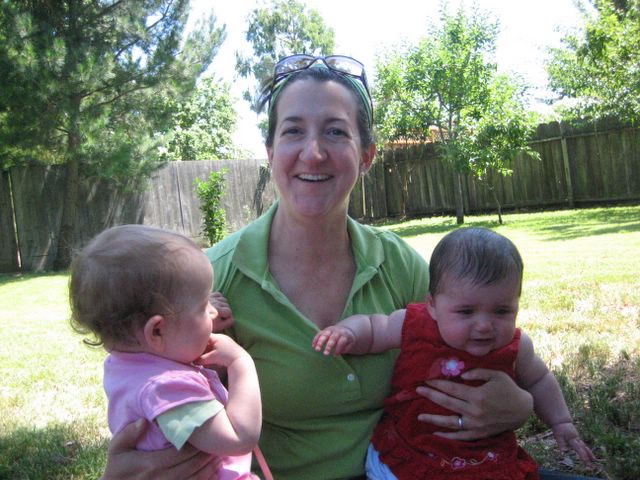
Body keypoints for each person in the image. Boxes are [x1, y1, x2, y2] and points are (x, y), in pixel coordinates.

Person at [100, 55, 536, 480]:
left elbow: (480, 344)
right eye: (293, 131)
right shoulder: (206, 281)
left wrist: (521, 405)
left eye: (335, 132)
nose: (313, 153)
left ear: (366, 155)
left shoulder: (399, 264)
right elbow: (148, 402)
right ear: (271, 152)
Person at [313, 226, 596, 479]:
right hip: (410, 452)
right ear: (432, 306)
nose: (484, 325)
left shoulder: (516, 347)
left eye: (501, 311)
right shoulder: (416, 324)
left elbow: (540, 380)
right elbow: (376, 328)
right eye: (466, 311)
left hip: (486, 459)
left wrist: (561, 421)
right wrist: (348, 333)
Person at [69, 224, 263, 480]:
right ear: (157, 331)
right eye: (203, 307)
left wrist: (190, 328)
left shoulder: (125, 363)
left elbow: (160, 345)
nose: (213, 311)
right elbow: (238, 438)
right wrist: (240, 362)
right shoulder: (167, 387)